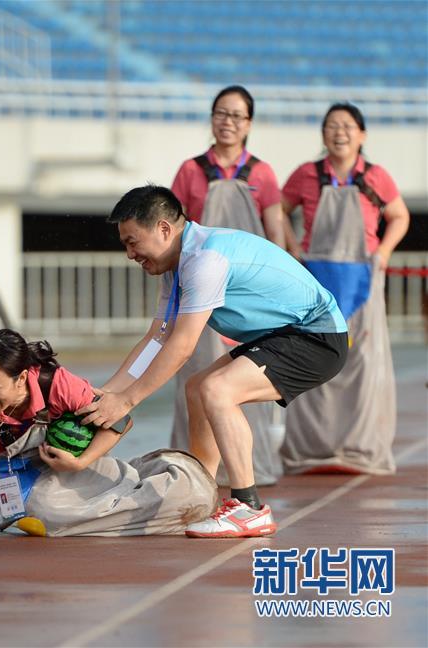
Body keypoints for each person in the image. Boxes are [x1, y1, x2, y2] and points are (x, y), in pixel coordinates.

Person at [81, 185, 348, 538]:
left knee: (216, 390)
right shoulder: (176, 266)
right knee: (197, 390)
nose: (130, 254)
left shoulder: (205, 260)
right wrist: (105, 394)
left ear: (164, 229)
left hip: (316, 336)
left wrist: (127, 401)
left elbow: (181, 347)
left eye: (133, 242)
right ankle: (203, 494)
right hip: (281, 336)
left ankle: (250, 507)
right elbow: (157, 337)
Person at [0, 329, 217, 539]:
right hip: (21, 473)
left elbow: (119, 421)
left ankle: (157, 472)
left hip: (74, 461)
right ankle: (123, 502)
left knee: (58, 516)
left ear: (20, 379)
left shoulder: (56, 383)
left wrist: (79, 461)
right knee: (45, 512)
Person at [280, 103, 410, 475]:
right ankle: (311, 449)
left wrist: (384, 251)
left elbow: (400, 215)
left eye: (348, 126)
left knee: (363, 364)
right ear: (323, 134)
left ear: (362, 135)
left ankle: (361, 448)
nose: (340, 132)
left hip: (363, 279)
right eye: (332, 125)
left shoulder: (376, 176)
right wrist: (291, 246)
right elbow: (278, 208)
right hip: (314, 280)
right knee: (311, 360)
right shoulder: (306, 174)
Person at [169, 85, 285, 485]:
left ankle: (250, 468)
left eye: (236, 115)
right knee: (198, 371)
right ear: (212, 118)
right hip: (202, 291)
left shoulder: (263, 174)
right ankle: (195, 466)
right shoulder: (190, 170)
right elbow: (172, 232)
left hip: (250, 291)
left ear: (249, 123)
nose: (228, 121)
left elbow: (276, 234)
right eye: (221, 113)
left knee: (249, 377)